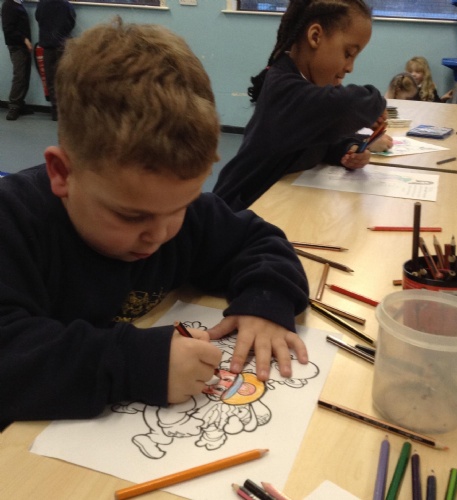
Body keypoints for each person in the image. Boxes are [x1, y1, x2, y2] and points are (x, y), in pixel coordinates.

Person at [0, 18, 310, 430]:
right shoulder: (13, 223)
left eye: (180, 206)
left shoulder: (175, 212)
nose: (160, 234)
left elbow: (258, 241)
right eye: (132, 216)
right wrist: (135, 363)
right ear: (62, 173)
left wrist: (265, 302)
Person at [213, 0, 390, 211]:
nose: (350, 67)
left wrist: (348, 148)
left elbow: (317, 139)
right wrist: (375, 102)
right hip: (234, 212)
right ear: (315, 36)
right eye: (348, 54)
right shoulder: (284, 88)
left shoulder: (306, 89)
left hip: (271, 208)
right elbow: (345, 106)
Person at [35, 0, 76, 121]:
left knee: (51, 80)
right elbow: (71, 22)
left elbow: (38, 18)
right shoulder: (66, 5)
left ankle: (55, 110)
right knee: (65, 79)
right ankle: (65, 110)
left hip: (47, 45)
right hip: (62, 46)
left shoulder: (42, 4)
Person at [1, 0, 32, 121]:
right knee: (20, 76)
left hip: (22, 47)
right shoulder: (8, 5)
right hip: (17, 46)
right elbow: (8, 29)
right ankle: (14, 106)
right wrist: (24, 39)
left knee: (25, 76)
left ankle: (19, 104)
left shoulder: (18, 4)